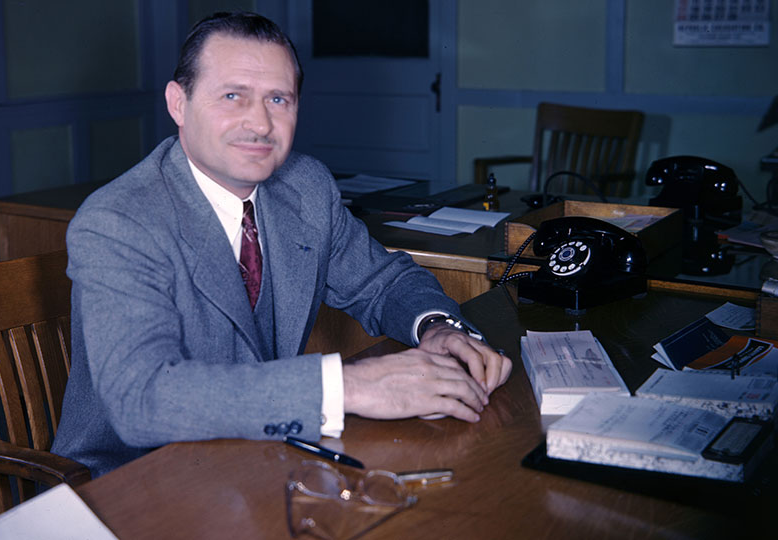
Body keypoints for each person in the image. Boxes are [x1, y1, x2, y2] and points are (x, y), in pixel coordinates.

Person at [52, 11, 511, 477]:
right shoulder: (119, 221)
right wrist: (345, 387)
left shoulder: (305, 186)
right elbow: (141, 399)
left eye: (278, 99)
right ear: (178, 103)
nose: (260, 123)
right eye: (233, 96)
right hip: (133, 480)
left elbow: (382, 281)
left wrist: (437, 327)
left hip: (255, 455)